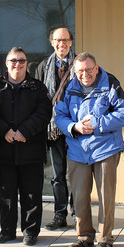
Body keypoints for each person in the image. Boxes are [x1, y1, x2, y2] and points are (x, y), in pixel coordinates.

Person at [55, 52, 124, 247]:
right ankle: (84, 236)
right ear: (75, 71)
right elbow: (60, 115)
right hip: (77, 150)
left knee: (106, 196)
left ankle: (105, 239)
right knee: (80, 196)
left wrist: (98, 123)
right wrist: (73, 126)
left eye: (89, 69)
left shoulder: (111, 83)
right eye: (80, 70)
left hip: (105, 148)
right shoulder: (69, 87)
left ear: (96, 68)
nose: (85, 74)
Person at [0, 47, 52, 246]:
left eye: (21, 60)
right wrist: (4, 130)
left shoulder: (38, 88)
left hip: (31, 150)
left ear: (26, 63)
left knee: (31, 194)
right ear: (6, 63)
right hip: (3, 150)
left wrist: (25, 131)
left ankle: (30, 232)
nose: (17, 64)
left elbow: (44, 113)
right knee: (6, 194)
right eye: (13, 60)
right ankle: (7, 231)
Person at [34, 27, 76, 231]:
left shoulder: (81, 64)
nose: (62, 44)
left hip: (77, 129)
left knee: (78, 173)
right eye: (58, 40)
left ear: (71, 42)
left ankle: (78, 212)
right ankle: (60, 215)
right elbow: (39, 98)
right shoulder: (43, 66)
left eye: (66, 40)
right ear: (52, 42)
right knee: (58, 175)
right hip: (54, 130)